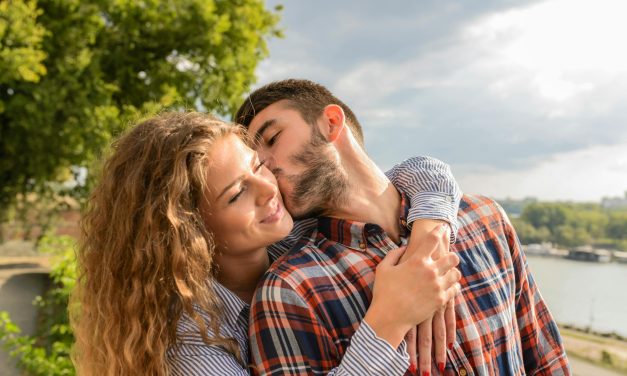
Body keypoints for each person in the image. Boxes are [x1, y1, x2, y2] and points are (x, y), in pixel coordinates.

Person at [70, 111, 464, 375]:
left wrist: (429, 238)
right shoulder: (187, 347)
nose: (269, 189)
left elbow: (417, 173)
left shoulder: (292, 233)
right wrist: (389, 321)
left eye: (258, 166)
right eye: (236, 194)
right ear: (186, 233)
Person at [235, 79, 571, 375]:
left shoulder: (486, 219)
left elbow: (544, 358)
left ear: (331, 123)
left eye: (272, 138)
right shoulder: (289, 290)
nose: (263, 165)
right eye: (253, 161)